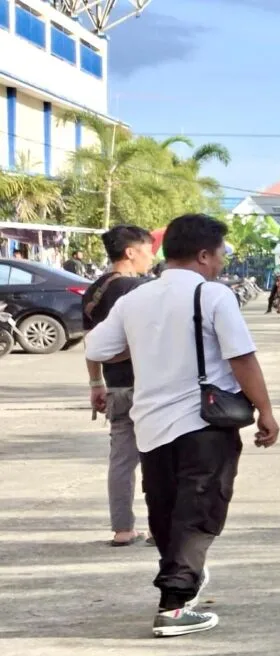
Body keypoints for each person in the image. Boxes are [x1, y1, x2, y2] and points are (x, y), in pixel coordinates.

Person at [82, 212, 280, 638]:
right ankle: (174, 606)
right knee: (200, 511)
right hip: (203, 423)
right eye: (221, 253)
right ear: (204, 254)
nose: (223, 261)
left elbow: (98, 346)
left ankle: (181, 586)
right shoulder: (213, 297)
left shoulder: (135, 299)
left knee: (167, 511)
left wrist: (143, 344)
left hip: (150, 425)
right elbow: (241, 358)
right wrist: (265, 410)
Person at [82, 224, 156, 547]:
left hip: (115, 389)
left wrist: (96, 382)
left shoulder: (93, 290)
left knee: (121, 460)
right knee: (157, 456)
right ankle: (159, 526)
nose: (151, 256)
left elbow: (91, 343)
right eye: (147, 249)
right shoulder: (137, 289)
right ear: (130, 252)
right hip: (147, 387)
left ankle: (123, 529)